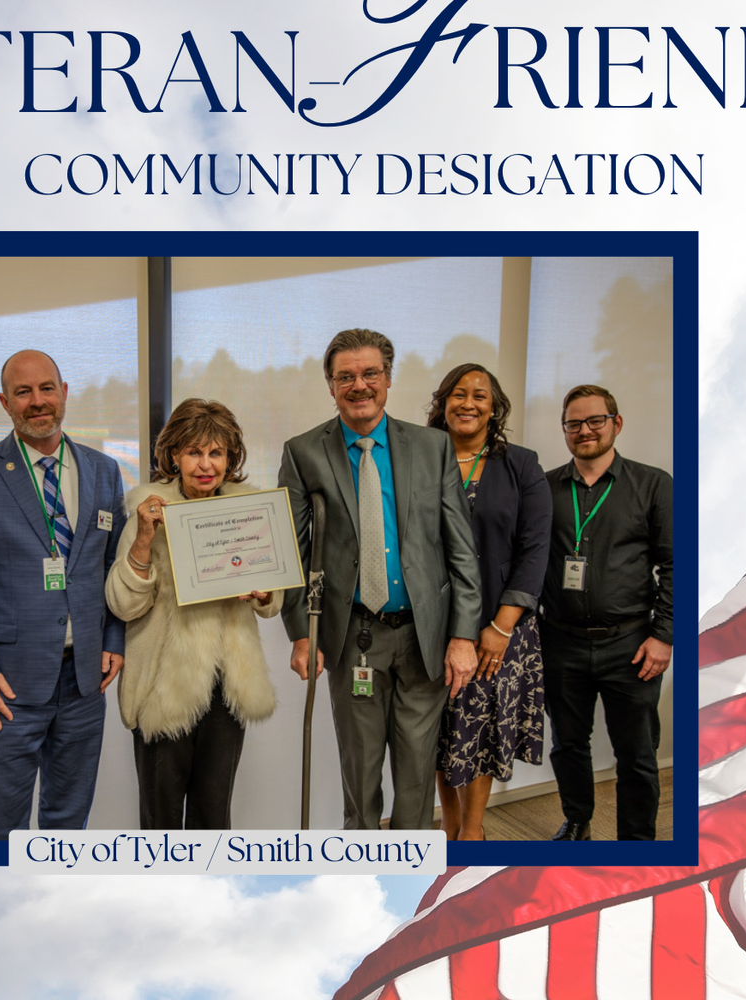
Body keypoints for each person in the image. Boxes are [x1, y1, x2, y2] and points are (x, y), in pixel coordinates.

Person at [278, 329, 482, 830]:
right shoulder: (304, 452)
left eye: (370, 373)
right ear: (330, 385)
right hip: (353, 640)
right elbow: (292, 553)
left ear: (388, 379)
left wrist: (463, 634)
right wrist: (303, 633)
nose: (359, 385)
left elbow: (461, 548)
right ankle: (359, 875)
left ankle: (407, 876)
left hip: (423, 639)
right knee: (361, 777)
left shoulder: (432, 447)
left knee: (415, 781)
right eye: (345, 376)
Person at [0, 349, 126, 840]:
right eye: (23, 392)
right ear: (5, 402)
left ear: (64, 393)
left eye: (47, 388)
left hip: (84, 684)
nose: (37, 401)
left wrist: (114, 640)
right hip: (6, 688)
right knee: (1, 831)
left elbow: (112, 567)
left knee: (68, 828)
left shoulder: (104, 472)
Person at [106, 398, 280, 829]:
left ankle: (208, 895)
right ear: (174, 456)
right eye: (193, 452)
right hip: (165, 685)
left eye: (216, 452)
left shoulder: (248, 513)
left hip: (227, 685)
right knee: (160, 820)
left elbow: (273, 601)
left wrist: (263, 593)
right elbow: (122, 603)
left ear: (230, 457)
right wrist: (144, 539)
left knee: (213, 818)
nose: (205, 464)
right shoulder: (148, 512)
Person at [540, 384, 673, 841]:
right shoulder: (544, 488)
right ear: (564, 431)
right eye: (574, 423)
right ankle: (577, 821)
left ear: (616, 424)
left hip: (631, 643)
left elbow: (676, 563)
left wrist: (664, 635)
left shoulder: (653, 484)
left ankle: (637, 841)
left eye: (595, 420)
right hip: (560, 640)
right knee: (568, 745)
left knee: (636, 752)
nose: (585, 430)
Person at [426, 364, 551, 841]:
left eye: (480, 395)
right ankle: (451, 826)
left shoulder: (521, 464)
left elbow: (535, 549)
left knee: (479, 730)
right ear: (442, 403)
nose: (468, 403)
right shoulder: (422, 458)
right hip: (433, 622)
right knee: (439, 731)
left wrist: (500, 628)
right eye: (458, 393)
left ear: (494, 407)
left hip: (500, 627)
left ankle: (472, 834)